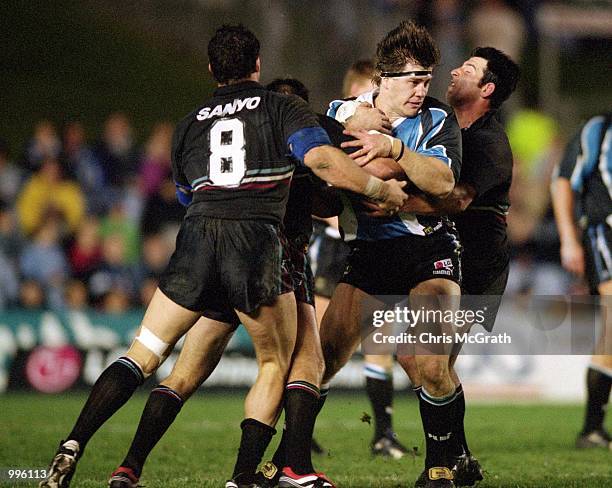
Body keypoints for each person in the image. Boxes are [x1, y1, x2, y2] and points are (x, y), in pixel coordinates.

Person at [39, 24, 407, 488]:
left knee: (143, 354)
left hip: (197, 238)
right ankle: (245, 475)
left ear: (212, 68)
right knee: (278, 364)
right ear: (257, 64)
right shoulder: (280, 109)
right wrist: (377, 188)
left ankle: (75, 443)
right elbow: (320, 162)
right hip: (255, 244)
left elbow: (187, 192)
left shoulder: (189, 123)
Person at [103, 78, 349, 488]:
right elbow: (329, 204)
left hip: (219, 259)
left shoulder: (250, 147)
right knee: (298, 362)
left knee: (183, 373)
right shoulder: (300, 151)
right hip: (273, 264)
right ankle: (268, 472)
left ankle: (129, 465)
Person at [319, 21, 462, 488]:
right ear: (383, 78)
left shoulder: (439, 119)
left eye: (427, 79)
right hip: (370, 251)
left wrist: (395, 150)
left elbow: (442, 182)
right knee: (324, 356)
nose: (422, 90)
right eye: (413, 80)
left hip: (428, 247)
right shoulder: (342, 112)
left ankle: (441, 465)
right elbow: (324, 161)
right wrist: (353, 129)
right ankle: (290, 458)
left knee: (431, 363)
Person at [382, 47, 519, 487]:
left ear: (487, 89)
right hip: (446, 254)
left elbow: (457, 198)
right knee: (413, 356)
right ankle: (456, 456)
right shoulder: (440, 120)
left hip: (478, 263)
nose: (457, 69)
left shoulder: (490, 143)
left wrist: (385, 201)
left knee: (427, 359)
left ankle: (442, 464)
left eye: (471, 69)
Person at [551, 112, 612, 449]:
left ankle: (593, 428)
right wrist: (568, 238)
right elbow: (563, 180)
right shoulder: (599, 129)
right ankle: (592, 427)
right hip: (606, 231)